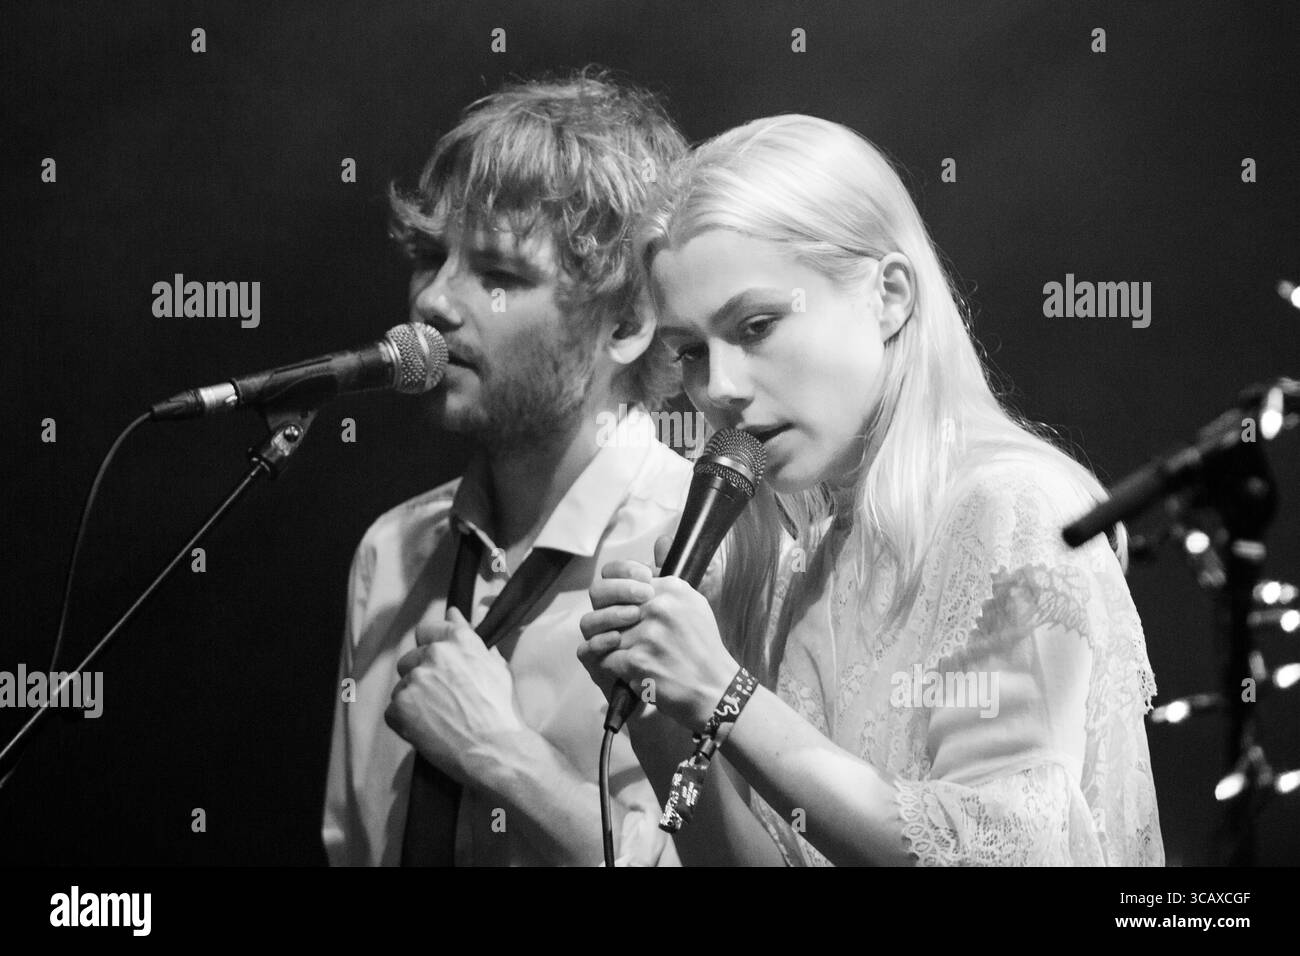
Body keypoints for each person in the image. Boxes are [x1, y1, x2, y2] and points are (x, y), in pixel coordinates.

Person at [578, 114, 1165, 866]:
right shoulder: (805, 565)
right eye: (691, 352)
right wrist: (660, 711)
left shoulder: (1011, 507)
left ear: (888, 295)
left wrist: (727, 696)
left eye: (756, 326)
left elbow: (1004, 859)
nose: (718, 389)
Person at [323, 72, 693, 866]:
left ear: (624, 322)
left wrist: (500, 752)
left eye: (498, 274)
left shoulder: (704, 550)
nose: (434, 302)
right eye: (431, 257)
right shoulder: (391, 551)